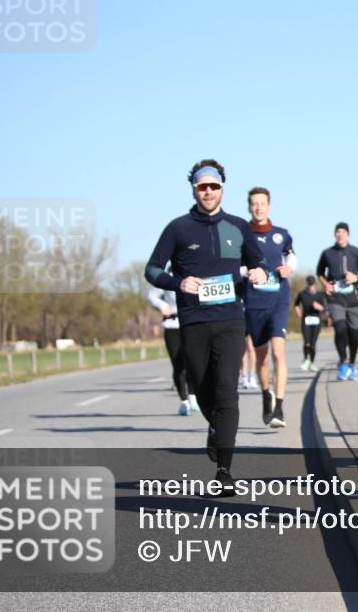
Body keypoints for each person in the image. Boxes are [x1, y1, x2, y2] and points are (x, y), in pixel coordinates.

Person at [145, 159, 268, 495]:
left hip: (230, 320)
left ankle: (224, 471)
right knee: (202, 389)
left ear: (222, 189)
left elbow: (259, 265)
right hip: (194, 323)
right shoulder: (178, 229)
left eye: (214, 186)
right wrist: (178, 283)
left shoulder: (238, 227)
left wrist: (260, 274)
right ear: (195, 190)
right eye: (203, 187)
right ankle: (216, 427)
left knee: (227, 388)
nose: (208, 192)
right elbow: (152, 270)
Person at [244, 187, 297, 429]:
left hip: (279, 300)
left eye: (262, 203)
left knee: (278, 352)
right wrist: (249, 273)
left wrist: (289, 268)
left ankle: (279, 407)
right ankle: (266, 393)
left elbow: (291, 256)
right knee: (262, 359)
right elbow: (235, 266)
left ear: (269, 206)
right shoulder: (241, 234)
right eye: (254, 203)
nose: (258, 207)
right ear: (249, 207)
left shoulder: (281, 234)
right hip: (254, 303)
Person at [316, 222, 358, 381]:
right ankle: (342, 362)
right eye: (337, 232)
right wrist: (325, 283)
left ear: (348, 234)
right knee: (340, 329)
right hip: (336, 297)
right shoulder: (327, 253)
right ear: (335, 235)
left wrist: (356, 277)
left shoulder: (356, 252)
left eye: (343, 232)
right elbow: (320, 272)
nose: (340, 235)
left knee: (354, 335)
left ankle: (352, 364)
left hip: (354, 298)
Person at [146, 276, 199, 416]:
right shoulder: (168, 275)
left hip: (192, 323)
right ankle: (184, 401)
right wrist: (163, 306)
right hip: (172, 325)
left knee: (192, 362)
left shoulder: (195, 270)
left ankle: (193, 396)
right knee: (178, 364)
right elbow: (151, 295)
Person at [294, 276, 326, 372]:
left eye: (312, 284)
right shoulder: (302, 294)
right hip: (306, 320)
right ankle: (306, 359)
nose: (311, 286)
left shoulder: (320, 295)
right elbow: (296, 304)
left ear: (314, 284)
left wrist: (318, 307)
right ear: (307, 284)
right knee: (307, 342)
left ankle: (312, 362)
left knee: (313, 344)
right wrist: (298, 311)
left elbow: (324, 308)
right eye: (309, 284)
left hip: (316, 321)